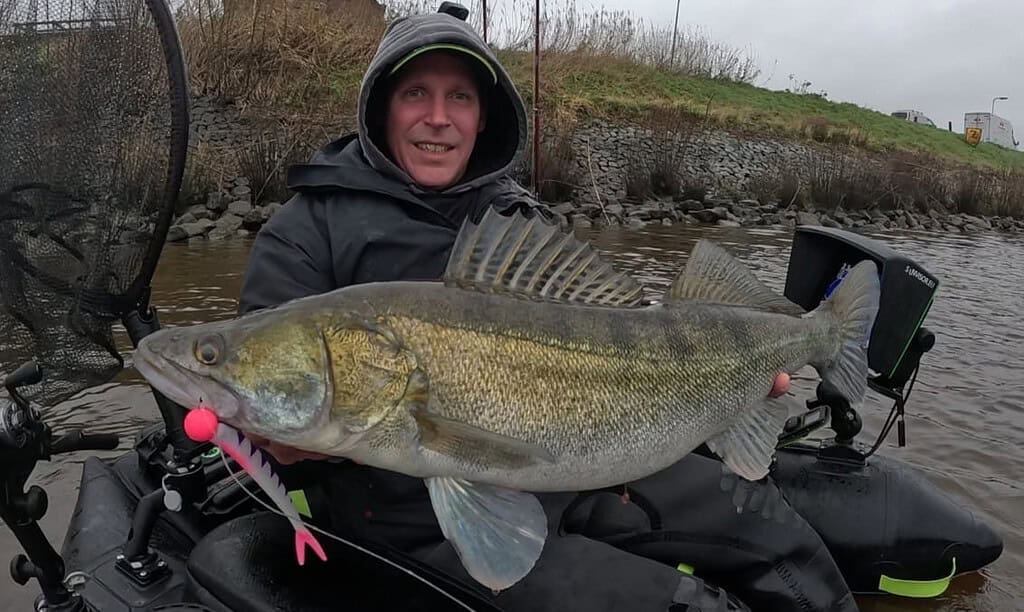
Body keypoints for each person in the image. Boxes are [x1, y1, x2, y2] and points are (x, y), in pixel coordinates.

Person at [237, 4, 858, 612]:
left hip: (596, 464)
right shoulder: (307, 228)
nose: (437, 118)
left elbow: (621, 325)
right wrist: (271, 434)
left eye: (460, 98)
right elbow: (263, 384)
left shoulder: (517, 218)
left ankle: (817, 344)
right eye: (414, 94)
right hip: (415, 522)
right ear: (381, 108)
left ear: (483, 118)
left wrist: (743, 384)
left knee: (780, 542)